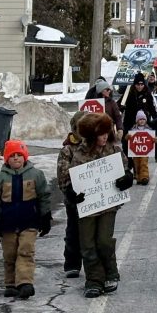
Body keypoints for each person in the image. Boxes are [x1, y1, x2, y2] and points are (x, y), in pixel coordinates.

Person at [57, 113, 133, 298]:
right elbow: (68, 178)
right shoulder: (78, 152)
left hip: (107, 205)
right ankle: (94, 280)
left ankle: (110, 272)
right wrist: (71, 192)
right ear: (91, 135)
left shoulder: (114, 150)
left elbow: (125, 169)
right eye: (100, 133)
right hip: (86, 206)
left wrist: (127, 179)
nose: (105, 136)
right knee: (88, 244)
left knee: (104, 241)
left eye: (106, 132)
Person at [0, 139, 51, 299]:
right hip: (7, 224)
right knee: (9, 254)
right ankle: (11, 284)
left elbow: (44, 196)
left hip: (29, 222)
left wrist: (45, 216)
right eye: (12, 155)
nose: (16, 158)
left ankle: (25, 283)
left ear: (25, 157)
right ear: (6, 158)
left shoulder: (36, 175)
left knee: (25, 251)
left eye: (19, 155)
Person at [60, 112, 86, 278]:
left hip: (94, 198)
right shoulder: (68, 149)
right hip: (74, 199)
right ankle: (72, 262)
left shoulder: (97, 144)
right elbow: (62, 173)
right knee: (73, 231)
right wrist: (69, 191)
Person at [121, 74, 155, 144]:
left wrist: (155, 119)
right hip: (130, 120)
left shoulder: (147, 93)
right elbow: (120, 104)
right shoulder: (129, 93)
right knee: (127, 140)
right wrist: (121, 108)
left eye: (141, 85)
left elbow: (151, 108)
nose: (140, 87)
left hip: (143, 121)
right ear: (134, 84)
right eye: (138, 85)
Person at [128, 111, 157, 185]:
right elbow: (128, 138)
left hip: (145, 151)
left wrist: (155, 139)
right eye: (140, 119)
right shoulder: (133, 129)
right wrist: (127, 137)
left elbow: (153, 138)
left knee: (143, 163)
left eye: (143, 119)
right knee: (136, 164)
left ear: (146, 120)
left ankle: (144, 177)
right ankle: (138, 177)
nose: (142, 121)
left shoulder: (149, 129)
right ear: (137, 120)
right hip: (136, 151)